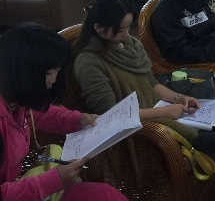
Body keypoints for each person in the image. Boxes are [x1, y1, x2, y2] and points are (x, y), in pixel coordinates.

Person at [73, 0, 215, 192]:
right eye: (120, 30)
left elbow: (151, 83)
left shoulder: (129, 45)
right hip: (141, 127)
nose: (126, 34)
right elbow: (112, 114)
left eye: (128, 27)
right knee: (213, 142)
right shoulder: (89, 62)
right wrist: (164, 112)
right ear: (98, 28)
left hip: (162, 110)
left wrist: (180, 98)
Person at [0, 23, 127, 201]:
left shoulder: (16, 99)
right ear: (23, 71)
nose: (53, 80)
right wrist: (53, 181)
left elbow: (38, 113)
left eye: (57, 71)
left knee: (105, 194)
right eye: (49, 73)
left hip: (21, 186)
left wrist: (78, 120)